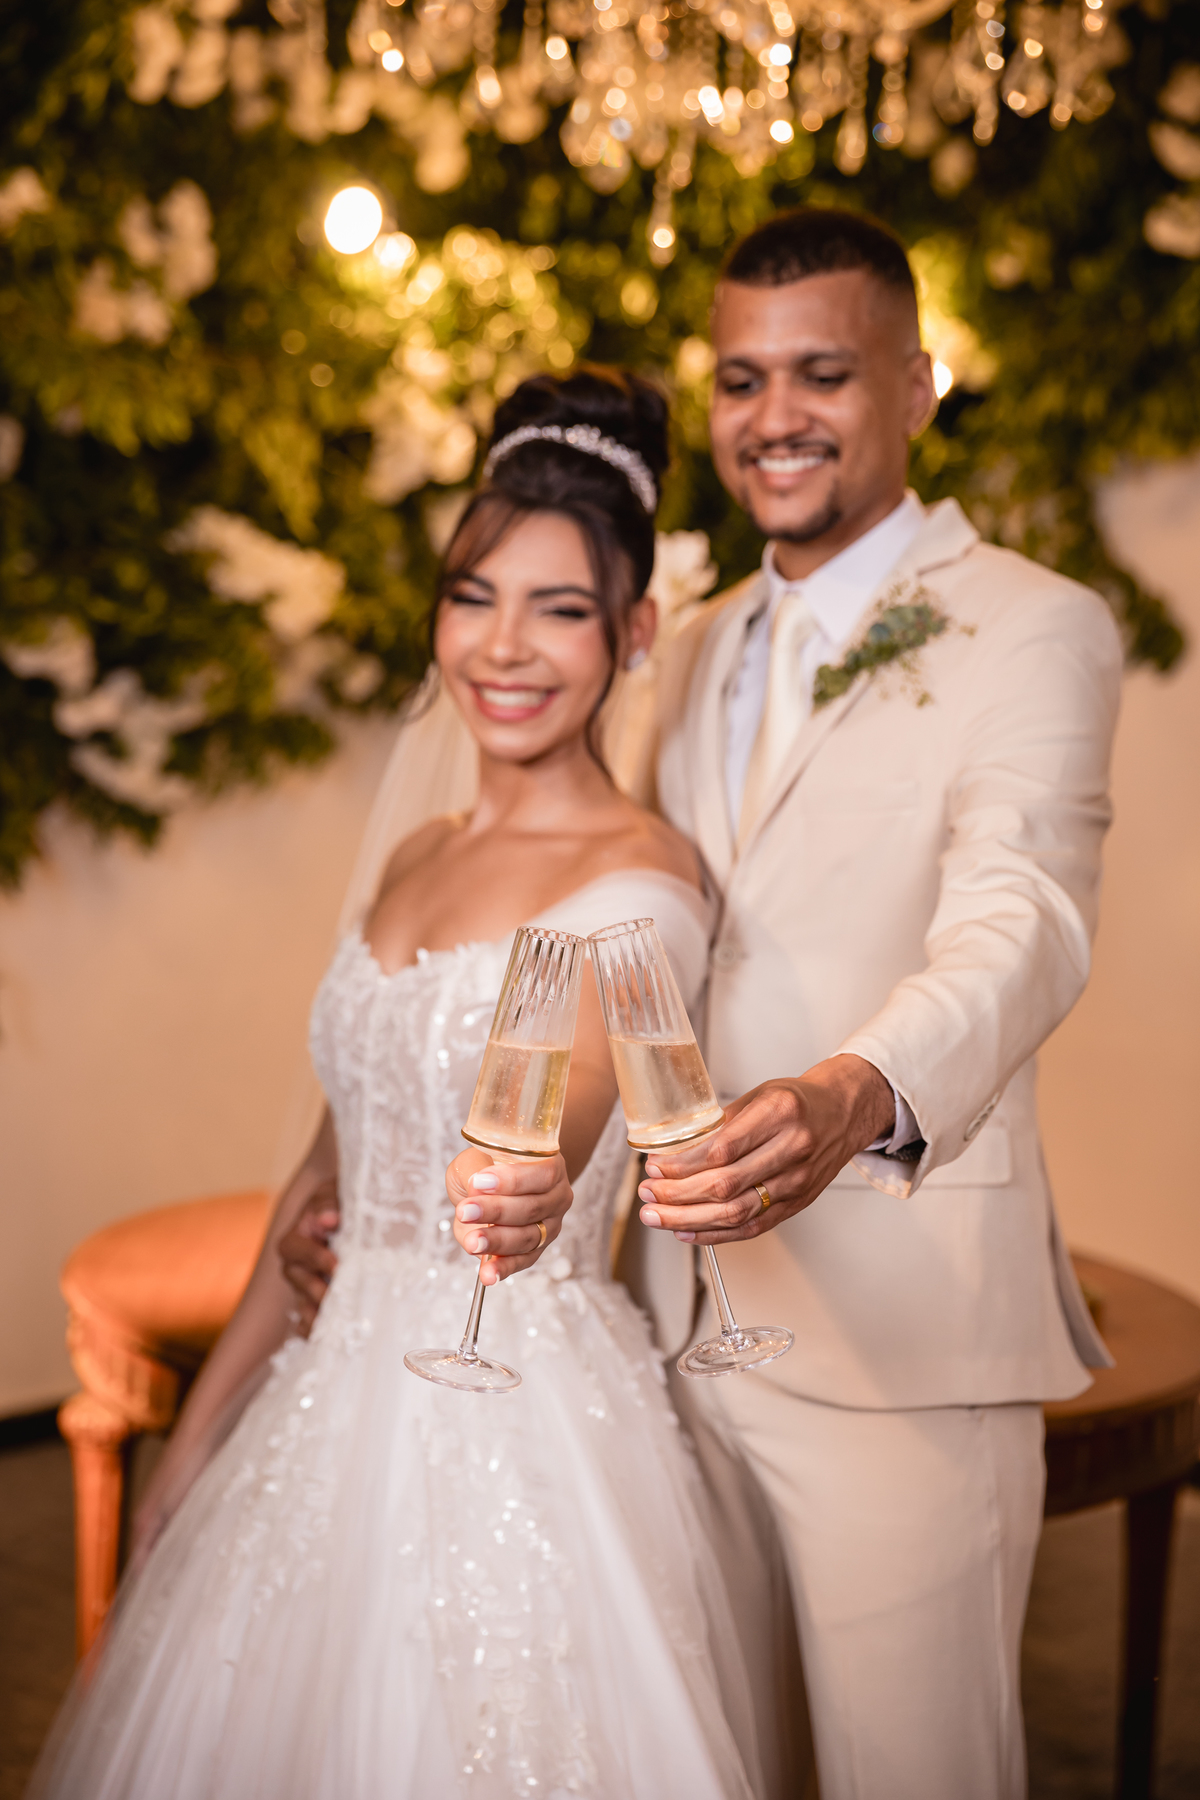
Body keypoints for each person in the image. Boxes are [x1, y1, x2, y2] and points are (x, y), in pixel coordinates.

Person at [282, 209, 1122, 1799]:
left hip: (899, 1343)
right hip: (668, 1332)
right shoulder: (695, 640)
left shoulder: (1031, 626)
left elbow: (1027, 923)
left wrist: (853, 1094)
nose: (774, 415)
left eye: (824, 374)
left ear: (917, 386)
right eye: (743, 379)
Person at [29, 369, 763, 1800]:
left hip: (516, 1416)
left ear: (633, 632)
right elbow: (325, 1184)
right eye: (474, 595)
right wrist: (193, 1449)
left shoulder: (647, 879)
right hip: (324, 1396)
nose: (505, 646)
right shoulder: (417, 855)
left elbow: (574, 1102)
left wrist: (530, 1173)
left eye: (560, 609)